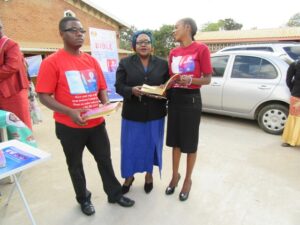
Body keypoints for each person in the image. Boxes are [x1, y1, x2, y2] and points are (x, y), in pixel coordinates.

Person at [36, 16, 134, 216]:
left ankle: (114, 193)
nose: (79, 34)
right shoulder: (52, 62)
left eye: (82, 30)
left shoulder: (91, 60)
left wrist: (105, 101)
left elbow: (101, 87)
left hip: (96, 123)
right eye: (73, 30)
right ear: (62, 34)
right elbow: (43, 96)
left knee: (104, 160)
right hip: (69, 126)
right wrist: (69, 111)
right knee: (75, 165)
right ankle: (83, 199)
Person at [115, 30, 169, 194]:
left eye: (147, 41)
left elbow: (168, 85)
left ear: (152, 45)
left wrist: (164, 89)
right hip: (133, 114)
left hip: (155, 114)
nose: (143, 44)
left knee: (151, 146)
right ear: (134, 45)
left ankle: (149, 175)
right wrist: (131, 90)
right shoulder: (125, 63)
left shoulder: (162, 64)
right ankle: (129, 176)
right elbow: (118, 86)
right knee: (130, 147)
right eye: (140, 42)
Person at [165, 18, 212, 201]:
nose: (173, 31)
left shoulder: (201, 49)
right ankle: (174, 176)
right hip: (175, 100)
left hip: (191, 101)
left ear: (187, 28)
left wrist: (191, 80)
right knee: (175, 142)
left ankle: (187, 180)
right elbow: (171, 78)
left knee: (190, 144)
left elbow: (207, 79)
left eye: (176, 27)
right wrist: (162, 88)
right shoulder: (173, 52)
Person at [0, 19, 32, 130]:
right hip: (3, 92)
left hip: (13, 91)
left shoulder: (10, 44)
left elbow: (11, 67)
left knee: (19, 125)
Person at [282, 59, 300, 147]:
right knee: (294, 117)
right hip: (297, 96)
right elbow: (288, 80)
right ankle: (290, 140)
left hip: (296, 93)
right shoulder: (295, 64)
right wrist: (294, 90)